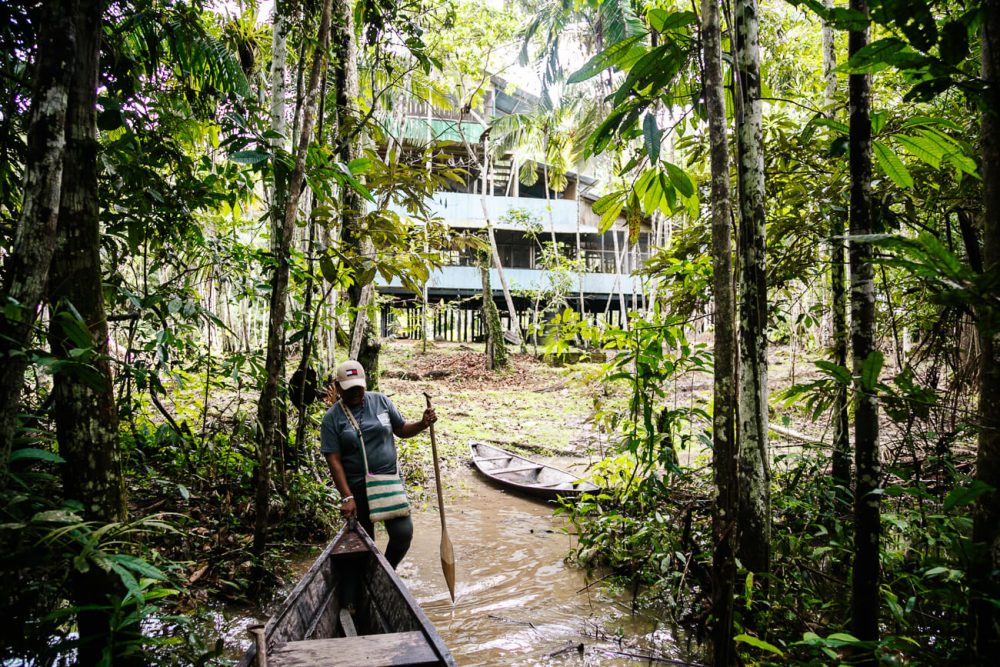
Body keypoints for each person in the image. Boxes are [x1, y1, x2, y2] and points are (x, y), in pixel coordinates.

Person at [320, 359, 436, 568]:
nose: (355, 392)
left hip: (388, 482)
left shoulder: (381, 401)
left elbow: (400, 429)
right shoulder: (332, 418)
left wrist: (422, 424)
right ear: (337, 388)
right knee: (365, 542)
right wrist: (347, 496)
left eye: (359, 387)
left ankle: (386, 571)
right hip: (357, 486)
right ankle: (366, 574)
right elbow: (333, 460)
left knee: (403, 534)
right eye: (349, 389)